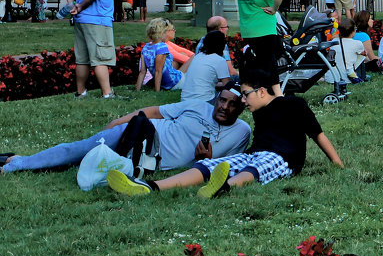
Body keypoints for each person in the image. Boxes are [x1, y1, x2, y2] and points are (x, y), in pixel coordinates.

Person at [107, 69, 343, 198]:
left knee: (259, 167)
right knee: (213, 165)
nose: (242, 100)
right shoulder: (258, 114)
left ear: (261, 92)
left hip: (284, 158)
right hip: (256, 153)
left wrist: (337, 163)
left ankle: (223, 189)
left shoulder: (293, 104)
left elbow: (317, 134)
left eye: (245, 94)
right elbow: (257, 146)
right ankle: (151, 187)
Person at [2, 83, 251, 176]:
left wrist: (206, 161)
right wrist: (116, 124)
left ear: (241, 109)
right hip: (139, 133)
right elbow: (152, 112)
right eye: (221, 100)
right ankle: (16, 164)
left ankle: (15, 159)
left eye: (231, 104)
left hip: (152, 161)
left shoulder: (241, 132)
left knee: (85, 163)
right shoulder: (198, 106)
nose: (223, 106)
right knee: (79, 150)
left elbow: (228, 164)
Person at [236, 0, 284, 95]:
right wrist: (274, 8)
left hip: (247, 28)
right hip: (264, 28)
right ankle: (277, 94)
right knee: (270, 62)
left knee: (256, 61)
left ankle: (254, 90)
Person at [179, 30, 233, 103]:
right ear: (222, 45)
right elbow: (227, 85)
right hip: (205, 101)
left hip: (184, 100)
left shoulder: (197, 56)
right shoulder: (219, 60)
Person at [137, 18, 183, 92]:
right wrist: (157, 91)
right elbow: (158, 71)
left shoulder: (146, 48)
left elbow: (142, 72)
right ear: (163, 32)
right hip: (174, 81)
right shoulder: (162, 47)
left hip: (164, 83)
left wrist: (137, 90)